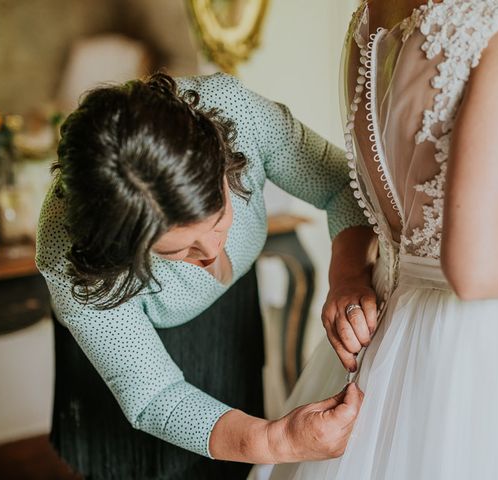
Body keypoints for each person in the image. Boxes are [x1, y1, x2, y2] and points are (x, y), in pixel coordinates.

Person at [269, 0, 498, 479]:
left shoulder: (368, 22)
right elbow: (477, 272)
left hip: (391, 331)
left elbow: (414, 170)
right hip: (490, 345)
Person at [36, 72, 377, 479]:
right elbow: (156, 396)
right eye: (176, 250)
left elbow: (341, 185)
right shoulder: (70, 254)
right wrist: (276, 441)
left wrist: (349, 276)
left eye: (217, 220)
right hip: (135, 349)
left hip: (228, 317)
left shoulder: (237, 113)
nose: (213, 252)